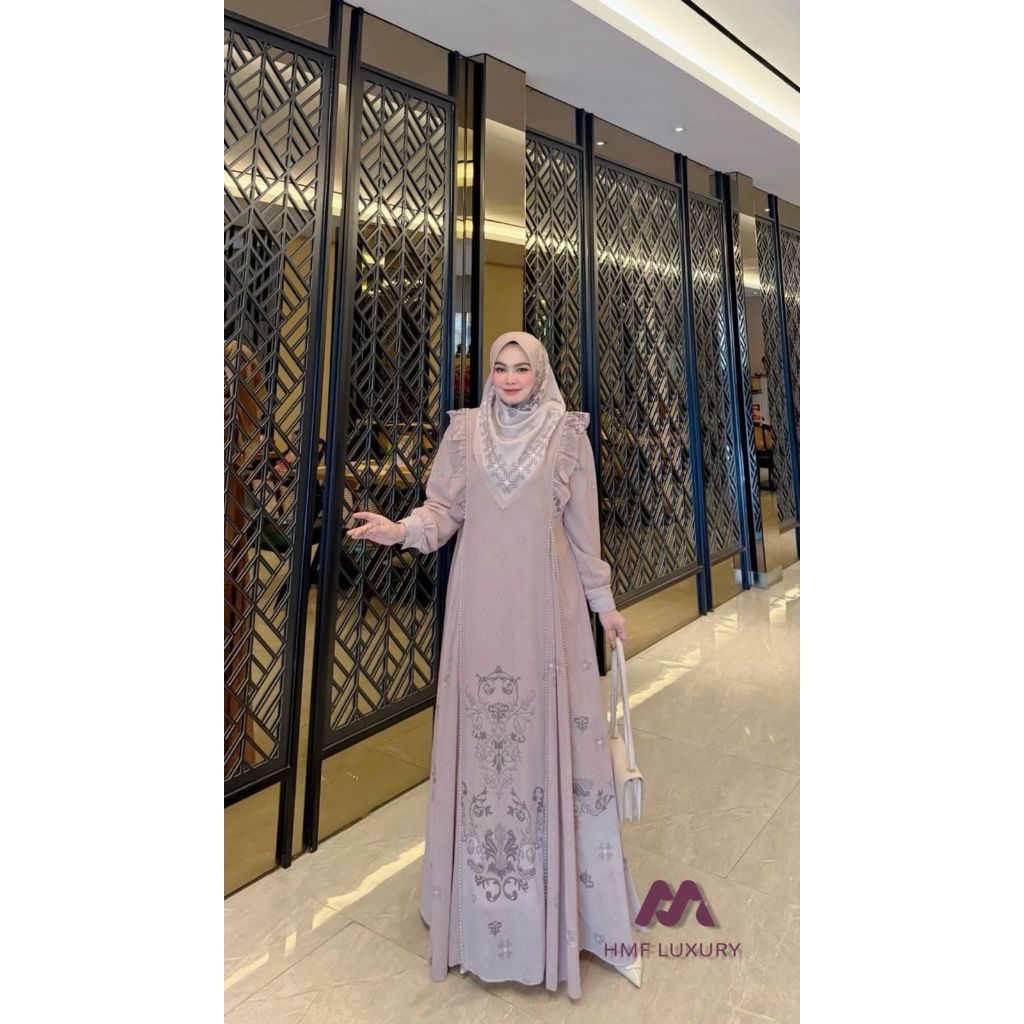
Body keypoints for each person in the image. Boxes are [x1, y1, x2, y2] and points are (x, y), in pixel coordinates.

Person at [346, 332, 650, 998]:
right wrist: (398, 530)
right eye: (500, 368)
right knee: (487, 755)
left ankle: (558, 914)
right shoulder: (464, 434)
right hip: (481, 617)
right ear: (488, 373)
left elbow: (584, 534)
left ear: (539, 374)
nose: (510, 378)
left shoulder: (567, 437)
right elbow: (443, 512)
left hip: (547, 620)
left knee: (544, 749)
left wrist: (604, 608)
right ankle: (482, 911)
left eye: (522, 368)